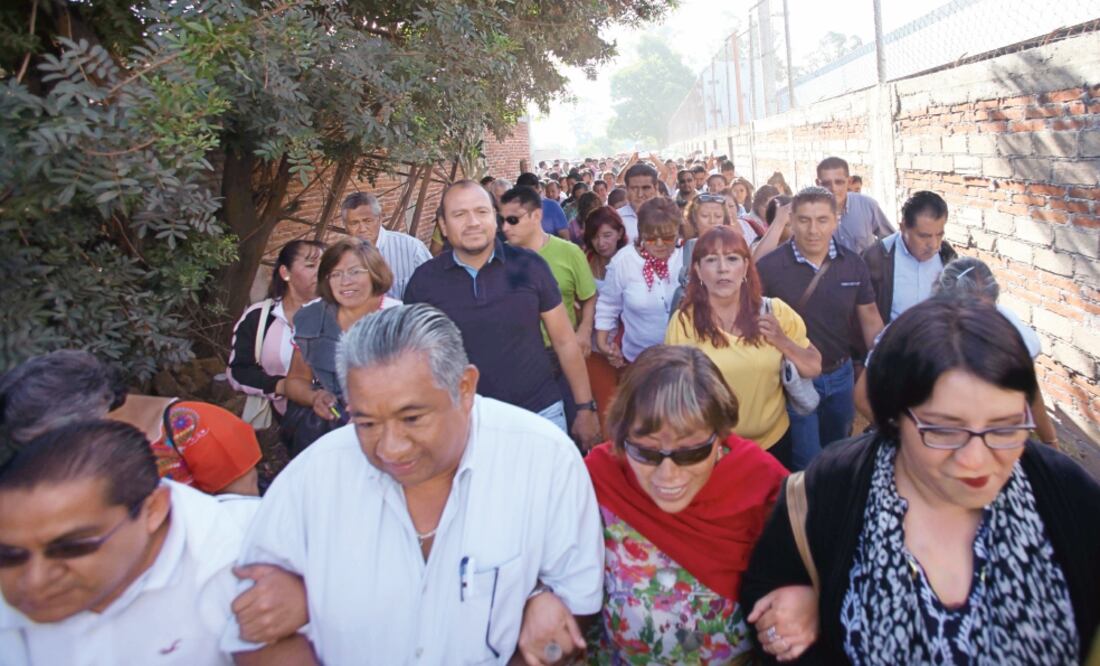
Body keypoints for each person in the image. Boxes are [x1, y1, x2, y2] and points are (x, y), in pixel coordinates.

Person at [221, 304, 604, 664]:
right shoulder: (312, 479)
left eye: (412, 418)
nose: (390, 448)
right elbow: (253, 640)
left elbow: (575, 604)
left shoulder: (543, 459)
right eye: (366, 422)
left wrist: (541, 616)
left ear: (465, 388)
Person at [741, 297, 1100, 664]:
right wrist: (795, 612)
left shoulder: (1066, 495)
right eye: (944, 430)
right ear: (895, 415)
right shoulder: (831, 488)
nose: (975, 459)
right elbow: (766, 585)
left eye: (1004, 427)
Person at [0, 420, 292, 664]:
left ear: (153, 510)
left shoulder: (253, 548)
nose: (34, 579)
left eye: (71, 547)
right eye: (9, 555)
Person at [576, 345, 790, 662]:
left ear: (720, 437)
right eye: (646, 452)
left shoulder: (764, 485)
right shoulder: (600, 479)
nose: (668, 475)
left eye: (690, 452)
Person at [404, 180, 601, 448]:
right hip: (464, 423)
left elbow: (564, 340)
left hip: (540, 412)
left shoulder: (530, 265)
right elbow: (414, 359)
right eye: (459, 214)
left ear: (495, 218)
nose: (473, 222)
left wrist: (585, 408)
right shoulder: (424, 282)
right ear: (443, 224)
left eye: (481, 212)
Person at [0, 351, 262, 504]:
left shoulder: (197, 426)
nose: (45, 454)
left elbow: (241, 517)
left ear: (96, 409)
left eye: (50, 439)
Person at [855, 257, 1058, 447]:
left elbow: (1028, 388)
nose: (975, 324)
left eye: (984, 314)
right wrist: (905, 440)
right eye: (965, 314)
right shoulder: (906, 335)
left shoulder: (1007, 330)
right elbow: (862, 396)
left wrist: (1050, 442)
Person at [667, 227, 821, 469]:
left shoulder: (775, 311)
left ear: (746, 266)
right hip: (714, 451)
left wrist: (782, 341)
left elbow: (813, 366)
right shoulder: (684, 322)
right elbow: (675, 394)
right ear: (697, 270)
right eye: (711, 260)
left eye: (731, 258)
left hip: (773, 446)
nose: (722, 268)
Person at [755, 187, 884, 469]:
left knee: (838, 450)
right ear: (792, 221)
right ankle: (808, 511)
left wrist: (884, 363)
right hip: (793, 380)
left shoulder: (853, 264)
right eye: (804, 220)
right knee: (807, 461)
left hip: (841, 376)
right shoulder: (770, 267)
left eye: (822, 220)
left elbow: (870, 318)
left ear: (836, 220)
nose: (813, 229)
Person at [282, 239, 400, 455]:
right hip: (329, 437)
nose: (345, 281)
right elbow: (296, 380)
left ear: (375, 273)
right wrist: (315, 397)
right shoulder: (311, 318)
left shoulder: (400, 320)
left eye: (355, 272)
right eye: (335, 274)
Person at [500, 186, 598, 434]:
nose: (505, 228)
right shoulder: (497, 261)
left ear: (536, 216)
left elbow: (589, 296)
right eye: (501, 220)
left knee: (573, 432)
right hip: (520, 362)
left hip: (563, 357)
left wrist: (585, 330)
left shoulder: (569, 252)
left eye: (513, 220)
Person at [228, 240, 324, 426]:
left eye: (325, 266)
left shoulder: (341, 314)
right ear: (285, 273)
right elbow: (238, 371)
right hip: (283, 422)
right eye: (311, 265)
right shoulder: (260, 317)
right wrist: (282, 386)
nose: (321, 273)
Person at [596, 198, 684, 368]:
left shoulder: (689, 256)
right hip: (639, 361)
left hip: (684, 360)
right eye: (651, 238)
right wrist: (604, 344)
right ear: (641, 234)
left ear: (678, 232)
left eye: (667, 237)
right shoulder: (624, 261)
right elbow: (608, 305)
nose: (659, 244)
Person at [863, 190, 957, 323]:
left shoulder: (947, 256)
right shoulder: (876, 258)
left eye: (939, 235)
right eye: (924, 236)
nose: (934, 245)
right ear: (903, 228)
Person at [340, 191, 430, 299]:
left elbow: (436, 289)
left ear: (379, 219)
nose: (362, 229)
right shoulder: (341, 258)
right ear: (345, 225)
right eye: (354, 223)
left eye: (368, 221)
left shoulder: (412, 249)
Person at [815, 157, 894, 255]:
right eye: (826, 184)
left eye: (839, 182)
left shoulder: (867, 206)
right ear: (818, 184)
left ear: (849, 181)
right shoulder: (808, 214)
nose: (833, 189)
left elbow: (891, 241)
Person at [516, 172, 569, 240]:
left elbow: (565, 236)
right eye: (524, 193)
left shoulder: (552, 206)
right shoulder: (514, 210)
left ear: (538, 189)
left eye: (531, 192)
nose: (528, 196)